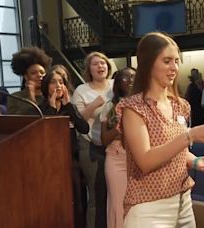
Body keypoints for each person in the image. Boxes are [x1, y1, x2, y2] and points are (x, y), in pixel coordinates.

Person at [115, 32, 204, 228]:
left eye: (177, 61)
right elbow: (145, 160)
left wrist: (194, 161)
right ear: (148, 63)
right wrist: (189, 136)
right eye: (167, 61)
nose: (174, 68)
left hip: (183, 202)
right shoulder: (133, 107)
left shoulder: (181, 105)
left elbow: (177, 151)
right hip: (148, 208)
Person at [39, 68, 89, 228]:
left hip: (71, 162)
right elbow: (46, 134)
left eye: (61, 82)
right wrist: (53, 108)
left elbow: (84, 128)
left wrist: (68, 105)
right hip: (49, 165)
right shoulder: (40, 109)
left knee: (77, 202)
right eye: (54, 82)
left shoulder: (69, 108)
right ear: (46, 86)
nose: (58, 86)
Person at [72, 51, 114, 228]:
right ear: (89, 69)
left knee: (116, 193)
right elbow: (78, 120)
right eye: (95, 63)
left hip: (116, 146)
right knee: (97, 195)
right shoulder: (81, 90)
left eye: (103, 63)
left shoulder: (115, 85)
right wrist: (96, 103)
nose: (100, 66)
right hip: (91, 146)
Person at [100, 67, 135, 228]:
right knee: (117, 204)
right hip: (116, 159)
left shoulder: (146, 103)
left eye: (134, 77)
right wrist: (120, 125)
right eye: (125, 78)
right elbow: (104, 139)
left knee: (136, 204)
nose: (130, 81)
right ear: (118, 84)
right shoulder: (110, 106)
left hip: (138, 159)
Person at [7, 47, 52, 115]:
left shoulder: (50, 96)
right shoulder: (15, 98)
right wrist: (31, 97)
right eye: (33, 73)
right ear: (26, 77)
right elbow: (17, 120)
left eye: (42, 72)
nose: (39, 75)